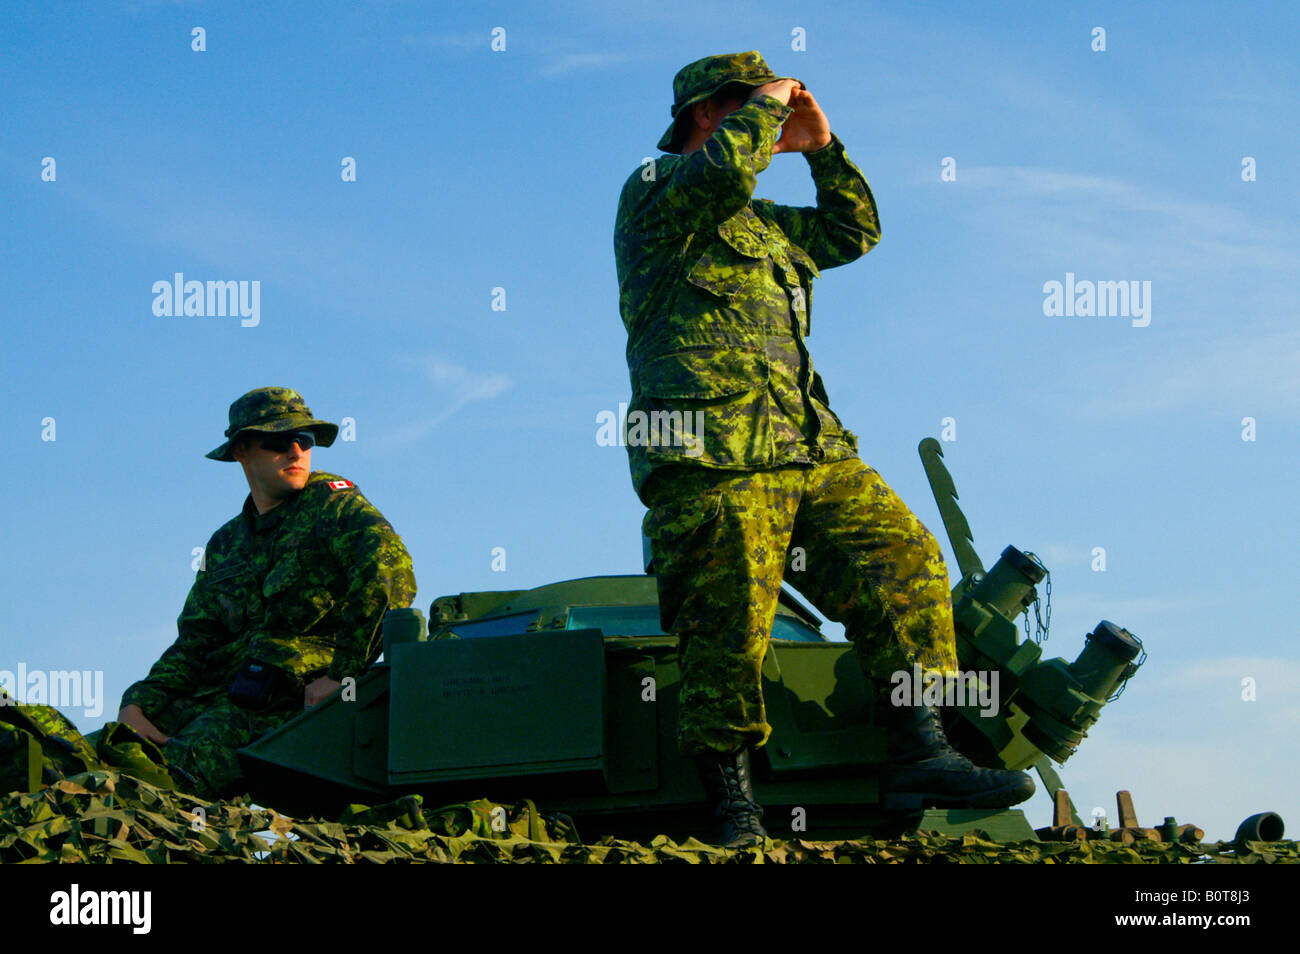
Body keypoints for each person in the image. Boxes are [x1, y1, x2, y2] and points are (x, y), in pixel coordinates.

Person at [614, 52, 1034, 846]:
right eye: (747, 104)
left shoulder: (767, 227)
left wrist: (825, 149)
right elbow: (717, 177)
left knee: (906, 560)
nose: (767, 120)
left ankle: (922, 750)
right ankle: (735, 810)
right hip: (714, 456)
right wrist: (770, 107)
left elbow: (854, 230)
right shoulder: (657, 192)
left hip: (809, 448)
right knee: (727, 630)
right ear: (709, 113)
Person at [115, 386, 417, 799]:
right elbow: (195, 642)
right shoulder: (224, 544)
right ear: (242, 451)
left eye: (305, 440)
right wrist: (138, 704)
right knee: (97, 753)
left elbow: (389, 573)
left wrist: (344, 675)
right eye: (278, 441)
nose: (296, 452)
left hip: (292, 701)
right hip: (224, 694)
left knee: (166, 780)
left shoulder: (333, 505)